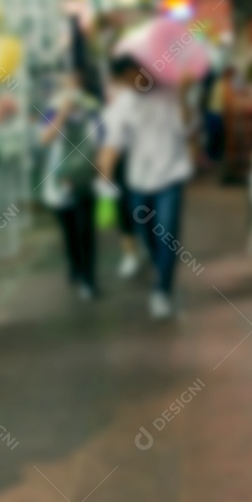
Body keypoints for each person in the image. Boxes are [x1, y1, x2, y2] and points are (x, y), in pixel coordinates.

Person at [98, 56, 193, 319]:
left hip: (171, 175)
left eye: (129, 77)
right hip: (139, 181)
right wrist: (104, 173)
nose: (129, 83)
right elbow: (113, 144)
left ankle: (162, 290)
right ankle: (157, 264)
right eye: (123, 81)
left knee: (167, 235)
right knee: (147, 234)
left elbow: (186, 126)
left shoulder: (170, 91)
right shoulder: (123, 105)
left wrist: (184, 96)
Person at [40, 72, 101, 301]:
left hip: (85, 180)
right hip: (59, 181)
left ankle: (89, 278)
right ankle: (75, 266)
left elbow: (103, 140)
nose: (71, 92)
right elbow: (44, 139)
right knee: (70, 231)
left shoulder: (92, 110)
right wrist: (63, 113)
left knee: (85, 229)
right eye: (67, 86)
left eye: (75, 85)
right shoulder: (52, 112)